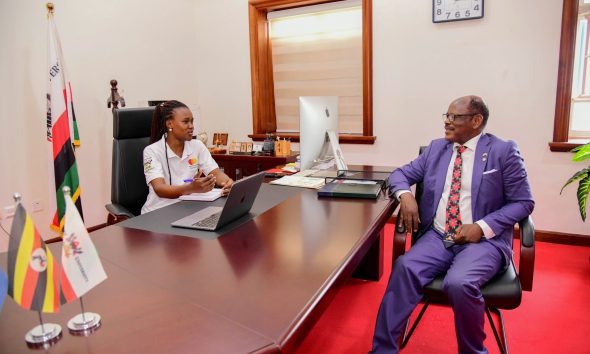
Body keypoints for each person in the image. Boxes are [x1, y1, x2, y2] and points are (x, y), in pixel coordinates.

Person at [370, 95, 534, 354]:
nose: (446, 122)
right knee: (404, 268)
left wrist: (480, 226)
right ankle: (382, 351)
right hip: (438, 236)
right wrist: (406, 195)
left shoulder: (503, 152)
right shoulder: (436, 149)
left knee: (459, 283)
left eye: (454, 117)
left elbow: (523, 202)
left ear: (476, 121)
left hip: (484, 242)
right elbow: (399, 174)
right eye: (445, 116)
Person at [141, 100, 233, 214]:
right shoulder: (152, 151)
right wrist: (192, 188)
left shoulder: (197, 145)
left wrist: (228, 182)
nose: (191, 126)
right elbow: (160, 189)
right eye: (185, 122)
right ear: (170, 124)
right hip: (157, 212)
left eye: (192, 121)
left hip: (187, 209)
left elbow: (216, 173)